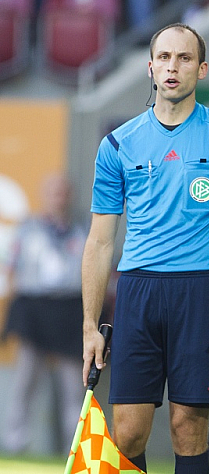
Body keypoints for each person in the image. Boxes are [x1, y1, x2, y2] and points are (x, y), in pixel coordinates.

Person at [82, 22, 209, 474]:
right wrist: (90, 324)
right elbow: (101, 240)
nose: (172, 67)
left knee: (188, 428)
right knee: (127, 432)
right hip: (137, 293)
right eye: (164, 57)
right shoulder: (117, 143)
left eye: (184, 58)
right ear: (149, 67)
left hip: (200, 293)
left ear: (201, 69)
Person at [1, 173, 87, 454]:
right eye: (52, 192)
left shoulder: (82, 230)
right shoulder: (28, 230)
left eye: (62, 192)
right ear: (44, 195)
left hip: (69, 310)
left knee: (74, 386)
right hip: (35, 308)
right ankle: (15, 444)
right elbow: (12, 269)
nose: (57, 198)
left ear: (69, 196)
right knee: (25, 381)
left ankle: (74, 450)